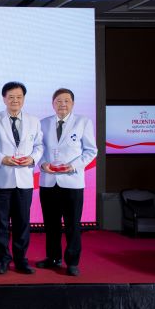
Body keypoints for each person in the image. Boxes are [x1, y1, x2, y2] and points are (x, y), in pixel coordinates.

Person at [37, 88, 97, 277]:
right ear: (52, 103)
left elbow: (91, 150)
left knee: (72, 225)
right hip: (48, 182)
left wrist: (73, 166)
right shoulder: (43, 123)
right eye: (58, 101)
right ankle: (53, 257)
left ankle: (72, 262)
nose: (62, 104)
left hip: (72, 182)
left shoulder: (83, 122)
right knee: (51, 224)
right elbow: (38, 149)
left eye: (66, 101)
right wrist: (42, 164)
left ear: (73, 103)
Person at [0, 82, 43, 275]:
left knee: (22, 223)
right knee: (1, 223)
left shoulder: (33, 121)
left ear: (24, 99)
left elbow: (39, 146)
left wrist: (32, 158)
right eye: (11, 97)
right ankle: (3, 260)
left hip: (24, 180)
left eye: (19, 97)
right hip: (1, 178)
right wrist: (1, 158)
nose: (15, 100)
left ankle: (21, 259)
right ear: (4, 98)